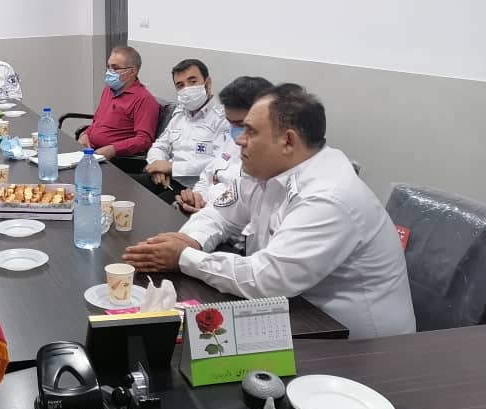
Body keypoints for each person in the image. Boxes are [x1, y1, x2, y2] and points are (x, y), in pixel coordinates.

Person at [123, 84, 415, 339]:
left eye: (249, 131)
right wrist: (190, 240)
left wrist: (183, 257)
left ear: (288, 141)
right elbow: (219, 213)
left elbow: (268, 279)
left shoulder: (329, 196)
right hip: (297, 312)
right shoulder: (264, 170)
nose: (239, 139)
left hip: (358, 347)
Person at [176, 76, 273, 213]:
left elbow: (241, 212)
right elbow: (207, 176)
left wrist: (206, 210)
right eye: (230, 122)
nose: (237, 136)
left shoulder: (268, 164)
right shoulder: (229, 137)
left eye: (242, 125)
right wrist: (197, 197)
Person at [144, 58, 228, 202]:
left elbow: (218, 163)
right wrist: (158, 166)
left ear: (207, 83)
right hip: (166, 179)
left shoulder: (223, 119)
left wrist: (172, 167)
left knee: (148, 206)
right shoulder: (180, 113)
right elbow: (159, 145)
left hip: (194, 190)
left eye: (192, 82)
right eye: (180, 85)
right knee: (124, 189)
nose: (187, 89)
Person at [78, 46, 160, 161]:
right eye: (109, 67)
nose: (109, 72)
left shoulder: (144, 100)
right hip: (91, 150)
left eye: (115, 68)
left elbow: (144, 140)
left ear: (132, 71)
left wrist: (113, 149)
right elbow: (97, 121)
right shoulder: (108, 89)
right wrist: (85, 134)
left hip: (114, 159)